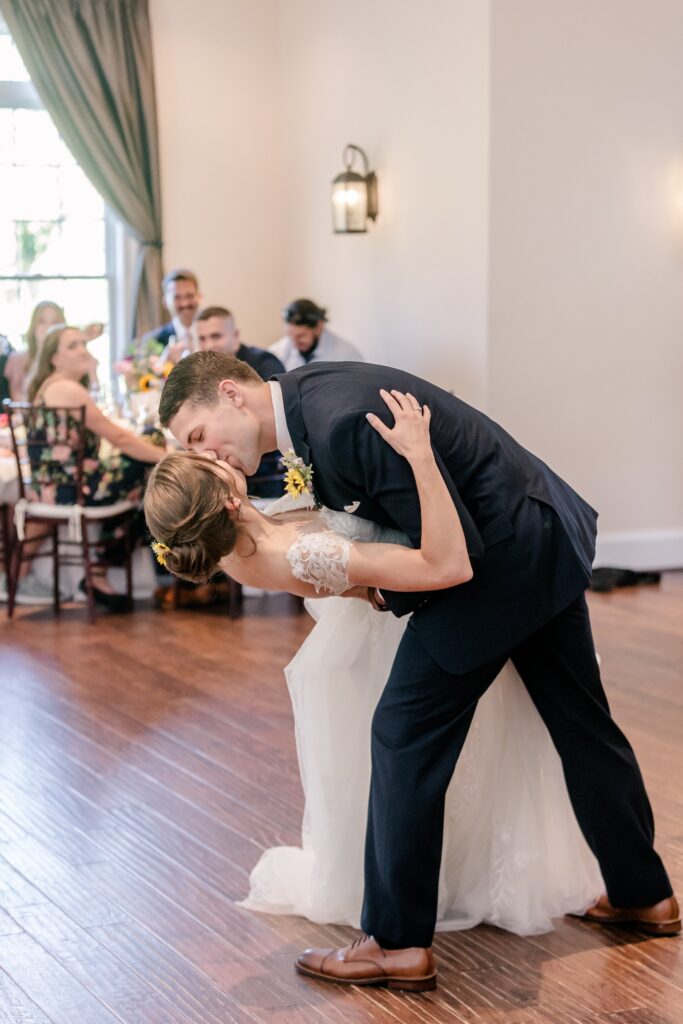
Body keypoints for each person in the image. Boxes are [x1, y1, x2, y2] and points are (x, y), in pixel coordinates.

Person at [158, 352, 679, 992]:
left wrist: (380, 595)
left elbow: (449, 552)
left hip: (494, 564)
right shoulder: (310, 401)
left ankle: (397, 942)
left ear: (231, 395)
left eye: (198, 437)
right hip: (537, 531)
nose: (209, 457)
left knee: (402, 735)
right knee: (581, 724)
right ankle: (643, 894)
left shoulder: (342, 422)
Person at [20, 324, 165, 609]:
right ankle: (98, 570)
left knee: (146, 486)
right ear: (54, 358)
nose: (82, 351)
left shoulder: (53, 385)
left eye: (82, 344)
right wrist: (168, 456)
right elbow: (120, 437)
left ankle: (97, 573)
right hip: (71, 490)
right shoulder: (66, 389)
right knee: (151, 476)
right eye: (72, 346)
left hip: (60, 486)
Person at [195, 306, 285, 498]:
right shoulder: (204, 373)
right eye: (202, 338)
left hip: (271, 473)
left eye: (216, 336)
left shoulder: (265, 363)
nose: (209, 345)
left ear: (235, 335)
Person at [3, 300, 103, 402]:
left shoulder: (76, 361)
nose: (48, 327)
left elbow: (93, 398)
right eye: (42, 322)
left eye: (55, 322)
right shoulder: (16, 361)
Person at [269, 299, 363, 370]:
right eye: (290, 335)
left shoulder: (347, 356)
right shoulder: (278, 351)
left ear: (319, 327)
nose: (293, 343)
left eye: (301, 336)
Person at [143, 268, 201, 366]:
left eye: (189, 296)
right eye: (177, 297)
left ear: (199, 297)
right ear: (165, 302)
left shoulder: (215, 335)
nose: (184, 303)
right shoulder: (153, 340)